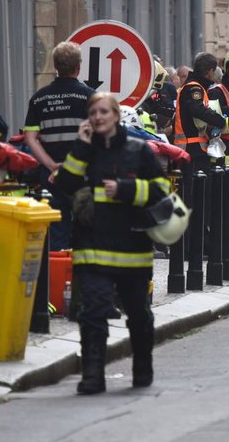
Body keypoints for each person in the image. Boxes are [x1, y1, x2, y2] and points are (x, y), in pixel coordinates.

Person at [54, 92, 171, 394]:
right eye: (93, 112)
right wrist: (80, 145)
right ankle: (93, 375)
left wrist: (126, 189)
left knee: (139, 314)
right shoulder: (85, 151)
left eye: (104, 111)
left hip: (132, 248)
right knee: (92, 313)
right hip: (92, 247)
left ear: (116, 115)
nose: (98, 117)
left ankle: (142, 365)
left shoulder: (139, 150)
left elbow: (162, 191)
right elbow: (64, 184)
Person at [23, 41, 95, 251]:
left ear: (56, 65)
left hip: (52, 175)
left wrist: (51, 165)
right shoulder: (89, 97)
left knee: (56, 230)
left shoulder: (39, 99)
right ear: (78, 67)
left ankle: (56, 280)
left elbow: (30, 138)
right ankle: (80, 280)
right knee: (86, 229)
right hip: (83, 174)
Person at [173, 52, 229, 173]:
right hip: (191, 148)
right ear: (210, 71)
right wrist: (220, 121)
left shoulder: (196, 86)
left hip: (193, 148)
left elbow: (204, 108)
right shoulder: (194, 88)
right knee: (196, 189)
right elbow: (198, 109)